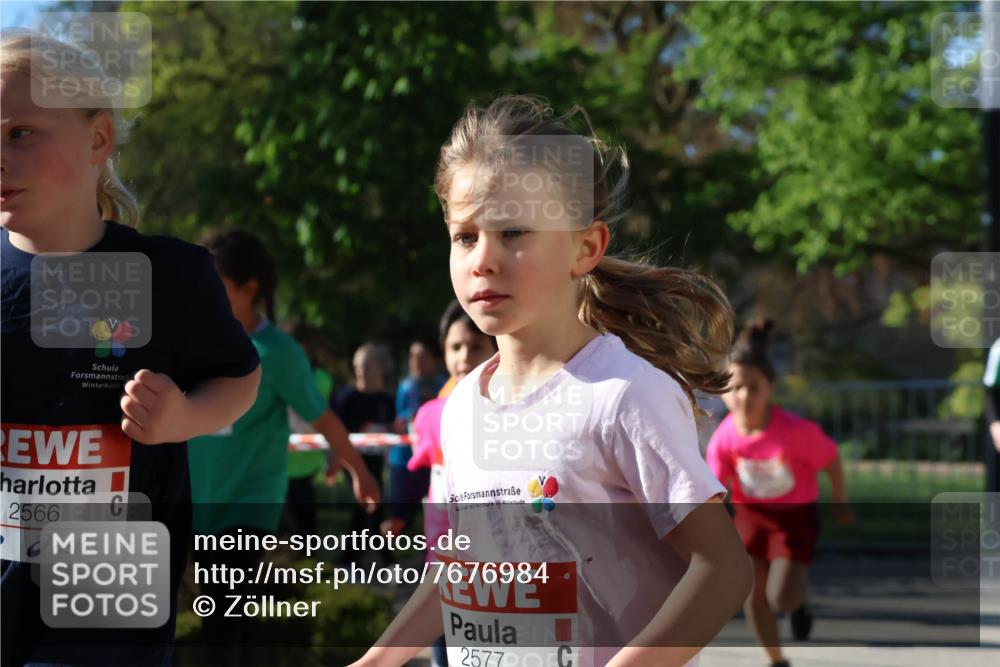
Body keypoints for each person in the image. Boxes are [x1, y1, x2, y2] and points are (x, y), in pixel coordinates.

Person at [350, 95, 752, 667]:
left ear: (585, 247)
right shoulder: (461, 407)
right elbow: (463, 564)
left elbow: (723, 569)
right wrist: (378, 660)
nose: (483, 259)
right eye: (465, 236)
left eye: (514, 231)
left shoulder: (624, 395)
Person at [0, 33, 262, 666]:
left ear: (99, 139)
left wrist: (183, 419)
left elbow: (241, 378)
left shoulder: (170, 273)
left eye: (20, 133)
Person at [187, 230, 380, 665]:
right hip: (195, 504)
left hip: (247, 506)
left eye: (214, 280)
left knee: (223, 619)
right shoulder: (192, 337)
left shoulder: (277, 352)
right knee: (206, 619)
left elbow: (323, 417)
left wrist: (359, 472)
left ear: (249, 288)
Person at [706, 319, 853, 667]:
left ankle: (798, 603)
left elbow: (830, 459)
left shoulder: (795, 432)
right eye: (735, 387)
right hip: (751, 517)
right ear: (723, 391)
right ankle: (776, 661)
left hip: (793, 519)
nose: (743, 396)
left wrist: (840, 500)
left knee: (780, 598)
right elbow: (714, 487)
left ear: (770, 388)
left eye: (753, 388)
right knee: (753, 595)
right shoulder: (724, 437)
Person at [406, 300, 497, 667]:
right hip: (440, 561)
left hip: (495, 564)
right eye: (455, 347)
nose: (464, 356)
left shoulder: (512, 413)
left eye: (475, 346)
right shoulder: (429, 415)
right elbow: (418, 476)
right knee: (443, 650)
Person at [332, 343, 396, 562]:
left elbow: (394, 430)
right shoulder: (347, 399)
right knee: (365, 506)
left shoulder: (388, 401)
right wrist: (336, 462)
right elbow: (337, 433)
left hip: (377, 461)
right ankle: (352, 559)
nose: (361, 371)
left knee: (373, 508)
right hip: (354, 462)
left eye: (367, 366)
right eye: (357, 366)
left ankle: (370, 558)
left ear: (381, 369)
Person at [381, 339, 447, 536]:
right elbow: (398, 421)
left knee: (435, 511)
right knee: (400, 516)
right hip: (404, 460)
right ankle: (383, 555)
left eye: (421, 356)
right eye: (412, 356)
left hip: (435, 461)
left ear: (436, 360)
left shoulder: (445, 385)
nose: (415, 361)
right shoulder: (406, 386)